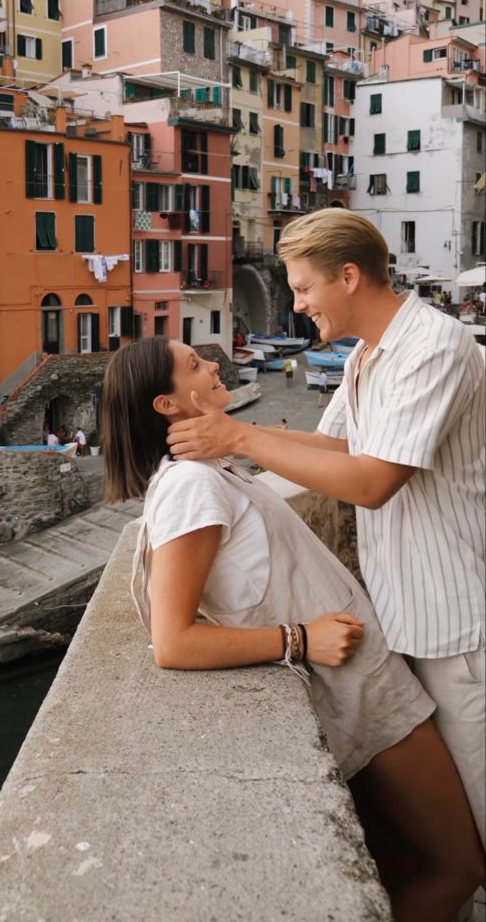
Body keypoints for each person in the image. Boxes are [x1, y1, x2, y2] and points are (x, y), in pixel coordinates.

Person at [102, 337, 484, 921]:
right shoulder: (191, 487)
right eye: (194, 366)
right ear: (167, 405)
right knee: (460, 867)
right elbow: (173, 642)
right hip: (361, 696)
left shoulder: (209, 470)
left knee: (404, 868)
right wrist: (300, 638)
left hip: (365, 685)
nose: (212, 364)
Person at [166, 208, 486, 860]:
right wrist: (227, 448)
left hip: (458, 625)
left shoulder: (434, 347)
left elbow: (370, 481)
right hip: (405, 616)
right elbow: (329, 444)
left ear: (347, 276)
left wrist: (238, 435)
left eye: (303, 288)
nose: (297, 303)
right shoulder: (368, 357)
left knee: (476, 830)